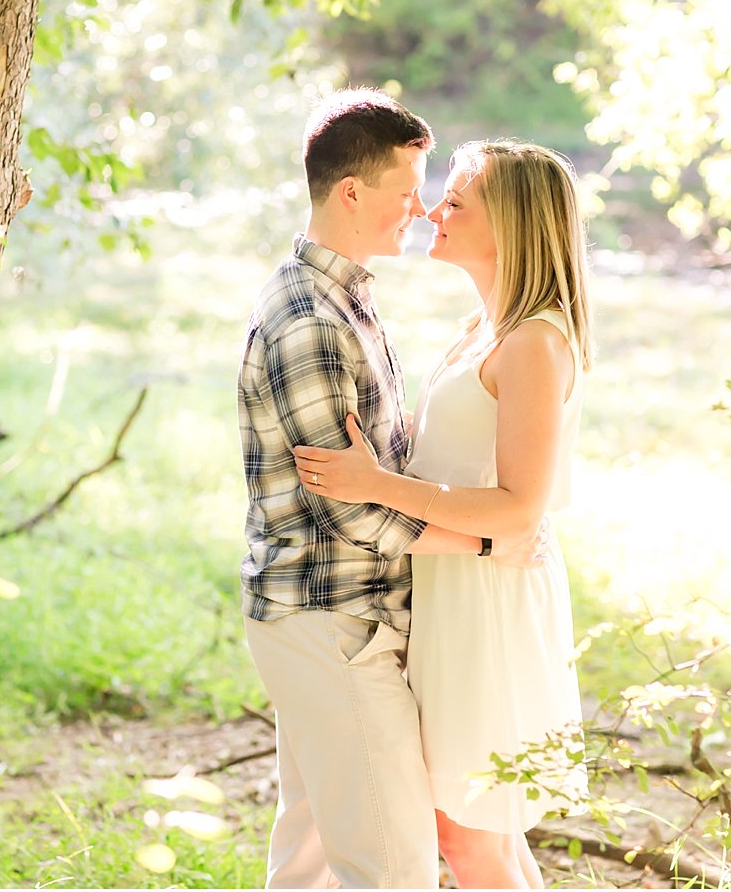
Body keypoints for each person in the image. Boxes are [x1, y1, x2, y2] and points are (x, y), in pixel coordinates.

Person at [237, 91, 546, 889]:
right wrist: (486, 541)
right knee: (394, 866)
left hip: (347, 616)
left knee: (308, 856)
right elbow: (352, 511)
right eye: (407, 191)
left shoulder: (349, 297)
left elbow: (382, 472)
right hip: (333, 619)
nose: (421, 207)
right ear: (351, 192)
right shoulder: (310, 318)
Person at [292, 139, 592, 888]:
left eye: (456, 200)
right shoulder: (481, 328)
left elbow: (522, 509)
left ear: (514, 224)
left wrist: (375, 486)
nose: (432, 208)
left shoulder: (534, 342)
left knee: (468, 835)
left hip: (490, 604)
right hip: (451, 591)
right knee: (473, 830)